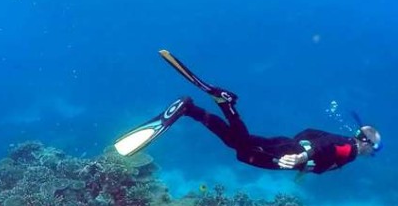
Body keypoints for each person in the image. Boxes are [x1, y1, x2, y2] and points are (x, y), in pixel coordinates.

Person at [113, 51, 382, 173]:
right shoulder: (351, 150)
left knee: (238, 143)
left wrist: (300, 147)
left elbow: (313, 133)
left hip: (285, 144)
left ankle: (190, 109)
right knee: (241, 147)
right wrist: (302, 155)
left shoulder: (343, 141)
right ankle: (225, 104)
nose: (373, 154)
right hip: (287, 152)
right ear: (367, 143)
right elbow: (325, 146)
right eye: (377, 149)